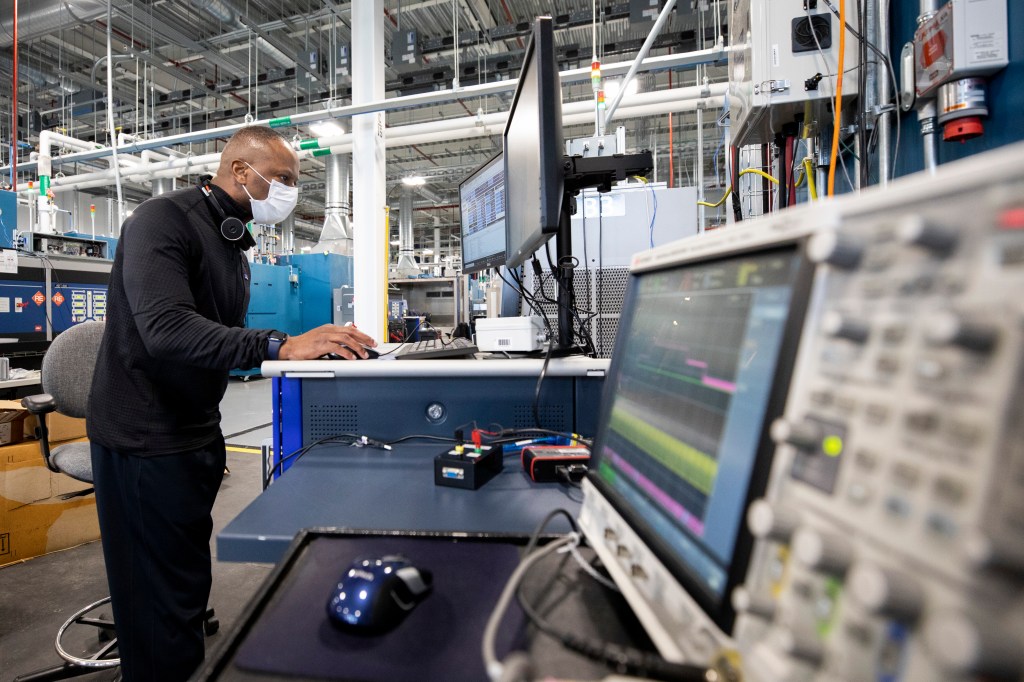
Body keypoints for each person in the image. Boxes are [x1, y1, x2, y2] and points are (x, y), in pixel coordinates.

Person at [86, 125, 376, 681]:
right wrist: (278, 344)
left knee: (184, 586)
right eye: (284, 178)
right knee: (157, 602)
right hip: (145, 436)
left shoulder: (233, 243)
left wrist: (300, 352)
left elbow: (215, 338)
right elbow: (166, 329)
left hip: (193, 429)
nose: (290, 190)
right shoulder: (161, 222)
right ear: (241, 171)